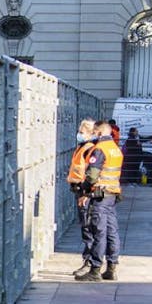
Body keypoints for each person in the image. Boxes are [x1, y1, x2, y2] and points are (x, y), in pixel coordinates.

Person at [75, 121, 124, 282]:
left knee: (99, 232)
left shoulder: (100, 149)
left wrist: (84, 190)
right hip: (111, 195)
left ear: (97, 131)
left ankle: (95, 269)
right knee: (112, 232)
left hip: (100, 196)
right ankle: (112, 267)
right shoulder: (115, 149)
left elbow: (92, 175)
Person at [67, 119, 98, 278]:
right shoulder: (83, 147)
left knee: (88, 227)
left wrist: (86, 194)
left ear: (91, 133)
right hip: (80, 191)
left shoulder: (90, 149)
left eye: (82, 131)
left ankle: (89, 262)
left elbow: (92, 174)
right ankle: (89, 261)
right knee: (86, 227)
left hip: (85, 193)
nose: (79, 134)